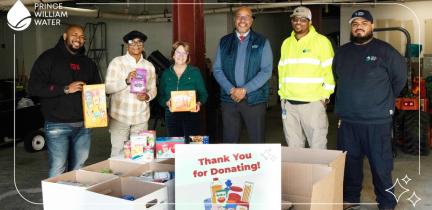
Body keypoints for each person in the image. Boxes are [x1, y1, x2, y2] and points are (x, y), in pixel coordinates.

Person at [333, 10, 406, 210]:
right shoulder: (341, 52)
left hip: (377, 121)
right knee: (350, 163)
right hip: (347, 120)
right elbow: (337, 78)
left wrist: (381, 101)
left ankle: (387, 202)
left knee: (381, 165)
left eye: (364, 22)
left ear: (372, 26)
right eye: (355, 23)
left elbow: (399, 80)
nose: (359, 26)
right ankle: (350, 197)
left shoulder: (386, 51)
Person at [28, 24, 101, 177]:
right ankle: (56, 201)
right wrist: (65, 89)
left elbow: (97, 90)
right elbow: (34, 88)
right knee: (58, 168)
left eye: (82, 37)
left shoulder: (88, 63)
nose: (78, 39)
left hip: (84, 126)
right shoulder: (48, 58)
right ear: (65, 36)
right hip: (57, 125)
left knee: (78, 168)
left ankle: (73, 199)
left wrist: (98, 113)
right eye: (74, 35)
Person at [213, 6, 273, 143]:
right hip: (230, 100)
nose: (242, 20)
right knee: (229, 140)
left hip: (254, 100)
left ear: (251, 21)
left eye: (246, 17)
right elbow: (217, 69)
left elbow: (266, 71)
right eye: (239, 16)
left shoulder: (262, 41)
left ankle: (258, 164)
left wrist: (245, 90)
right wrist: (231, 89)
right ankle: (231, 165)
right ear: (234, 20)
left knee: (257, 141)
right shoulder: (224, 41)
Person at [278, 6, 335, 149]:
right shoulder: (286, 43)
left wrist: (324, 97)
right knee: (293, 146)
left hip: (313, 104)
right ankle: (300, 172)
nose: (298, 22)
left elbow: (330, 71)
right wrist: (282, 97)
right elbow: (282, 71)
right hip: (289, 105)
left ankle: (318, 172)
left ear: (310, 21)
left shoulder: (321, 42)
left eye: (303, 20)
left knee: (317, 145)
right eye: (295, 19)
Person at [105, 30, 157, 157]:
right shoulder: (117, 63)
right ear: (127, 44)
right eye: (132, 42)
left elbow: (153, 89)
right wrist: (126, 81)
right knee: (118, 152)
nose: (136, 45)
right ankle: (119, 176)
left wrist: (147, 96)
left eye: (139, 42)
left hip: (141, 118)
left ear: (143, 45)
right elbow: (107, 88)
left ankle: (138, 177)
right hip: (120, 117)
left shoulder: (149, 66)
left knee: (140, 154)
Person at [158, 41, 208, 141]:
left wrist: (199, 103)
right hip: (171, 115)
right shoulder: (166, 73)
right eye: (178, 52)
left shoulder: (195, 72)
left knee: (194, 145)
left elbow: (204, 94)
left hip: (192, 114)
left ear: (188, 56)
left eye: (184, 53)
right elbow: (160, 96)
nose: (181, 55)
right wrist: (166, 103)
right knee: (175, 146)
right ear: (173, 54)